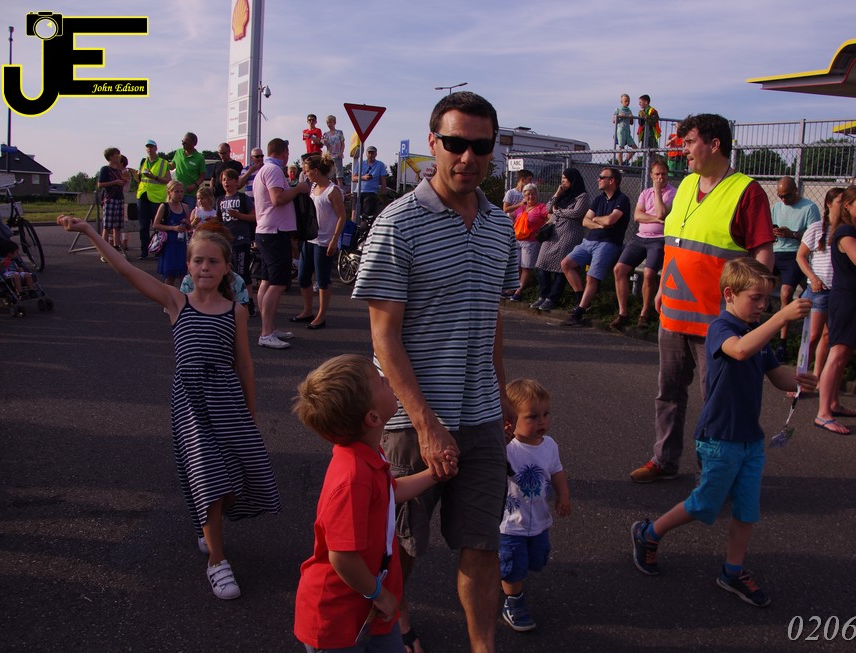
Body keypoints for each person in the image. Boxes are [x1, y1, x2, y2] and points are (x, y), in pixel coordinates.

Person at [352, 91, 517, 653]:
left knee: (483, 545)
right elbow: (384, 337)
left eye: (480, 146)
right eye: (455, 143)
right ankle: (398, 627)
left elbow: (491, 316)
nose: (467, 157)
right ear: (433, 143)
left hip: (482, 417)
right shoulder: (397, 224)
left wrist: (501, 393)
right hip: (410, 421)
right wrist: (426, 424)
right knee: (403, 546)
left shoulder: (500, 227)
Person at [55, 216, 281, 600]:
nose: (205, 267)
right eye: (198, 261)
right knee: (208, 476)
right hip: (190, 402)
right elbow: (125, 269)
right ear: (188, 265)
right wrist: (90, 231)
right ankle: (217, 562)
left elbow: (244, 365)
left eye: (212, 261)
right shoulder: (176, 302)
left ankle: (207, 523)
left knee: (235, 482)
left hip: (227, 402)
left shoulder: (236, 311)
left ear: (227, 268)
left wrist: (251, 413)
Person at [631, 257, 816, 608]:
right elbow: (740, 350)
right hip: (719, 436)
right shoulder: (721, 327)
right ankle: (649, 533)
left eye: (767, 300)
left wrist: (801, 382)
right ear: (730, 294)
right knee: (705, 503)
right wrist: (780, 318)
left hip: (750, 439)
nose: (762, 306)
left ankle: (733, 570)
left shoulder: (756, 331)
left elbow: (777, 376)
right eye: (755, 298)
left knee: (746, 509)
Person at [630, 113, 775, 483]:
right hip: (674, 313)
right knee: (668, 393)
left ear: (714, 144)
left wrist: (756, 303)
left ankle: (715, 470)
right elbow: (674, 242)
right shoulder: (685, 186)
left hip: (717, 322)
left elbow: (762, 251)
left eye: (689, 142)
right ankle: (664, 460)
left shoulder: (746, 191)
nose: (683, 150)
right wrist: (662, 286)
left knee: (719, 402)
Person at [292, 354, 457, 653]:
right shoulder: (352, 478)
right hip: (337, 620)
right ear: (373, 418)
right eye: (380, 381)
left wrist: (434, 474)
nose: (387, 379)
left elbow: (391, 491)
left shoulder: (367, 455)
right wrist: (378, 594)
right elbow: (342, 557)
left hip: (371, 607)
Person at [499, 378, 570, 633]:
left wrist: (564, 495)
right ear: (510, 420)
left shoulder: (549, 446)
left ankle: (504, 574)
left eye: (546, 414)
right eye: (532, 417)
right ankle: (513, 602)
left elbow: (557, 471)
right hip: (510, 524)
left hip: (539, 521)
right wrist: (500, 441)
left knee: (536, 559)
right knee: (513, 566)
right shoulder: (507, 448)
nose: (542, 422)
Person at [813, 186, 856, 435]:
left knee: (845, 353)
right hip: (846, 299)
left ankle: (833, 403)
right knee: (838, 353)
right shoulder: (845, 231)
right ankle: (823, 413)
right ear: (848, 206)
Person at [254, 137, 312, 350]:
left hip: (267, 230)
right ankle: (266, 333)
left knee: (267, 281)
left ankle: (268, 327)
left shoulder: (265, 169)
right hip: (274, 232)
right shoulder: (273, 170)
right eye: (287, 152)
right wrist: (298, 189)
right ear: (284, 152)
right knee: (278, 283)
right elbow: (277, 199)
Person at [560, 167, 631, 327]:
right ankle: (581, 299)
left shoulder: (622, 200)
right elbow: (585, 221)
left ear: (611, 181)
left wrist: (597, 219)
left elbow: (610, 220)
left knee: (591, 277)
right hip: (590, 241)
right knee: (566, 264)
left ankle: (579, 314)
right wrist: (600, 225)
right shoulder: (599, 199)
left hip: (609, 243)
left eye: (602, 177)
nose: (598, 179)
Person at [610, 159, 675, 330]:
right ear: (651, 175)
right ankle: (622, 312)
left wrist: (658, 192)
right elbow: (638, 216)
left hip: (659, 239)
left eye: (664, 174)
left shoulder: (673, 193)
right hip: (640, 237)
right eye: (657, 174)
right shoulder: (645, 193)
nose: (661, 177)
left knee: (648, 273)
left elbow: (662, 212)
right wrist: (656, 219)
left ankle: (644, 313)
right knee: (619, 269)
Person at [291, 154, 348, 331]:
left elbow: (342, 216)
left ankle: (321, 316)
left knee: (322, 280)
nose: (305, 174)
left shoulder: (332, 191)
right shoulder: (314, 186)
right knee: (303, 277)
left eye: (307, 171)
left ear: (316, 171)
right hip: (310, 238)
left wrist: (334, 240)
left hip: (324, 241)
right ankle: (307, 311)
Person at [795, 187, 844, 382]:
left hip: (837, 290)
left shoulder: (846, 230)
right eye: (840, 202)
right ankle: (799, 379)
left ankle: (817, 377)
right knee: (812, 336)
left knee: (828, 336)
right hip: (819, 290)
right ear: (829, 204)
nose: (844, 206)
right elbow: (801, 256)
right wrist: (813, 278)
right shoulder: (817, 228)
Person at [770, 176, 820, 357]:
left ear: (796, 191)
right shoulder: (776, 208)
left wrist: (793, 234)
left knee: (785, 293)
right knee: (754, 282)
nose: (783, 200)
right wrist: (774, 232)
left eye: (787, 196)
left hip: (795, 254)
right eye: (780, 196)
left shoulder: (809, 208)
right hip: (776, 251)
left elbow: (815, 236)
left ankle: (782, 342)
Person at [531, 168, 590, 312]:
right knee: (541, 263)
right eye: (562, 178)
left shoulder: (582, 196)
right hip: (553, 233)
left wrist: (558, 211)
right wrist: (557, 193)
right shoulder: (563, 195)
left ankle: (552, 298)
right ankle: (543, 295)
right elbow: (548, 208)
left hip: (569, 234)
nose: (562, 181)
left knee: (560, 267)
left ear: (572, 180)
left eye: (565, 178)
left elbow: (577, 212)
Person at [216, 168, 256, 315]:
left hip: (241, 240)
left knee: (242, 272)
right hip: (225, 242)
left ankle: (248, 303)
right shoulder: (220, 200)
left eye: (229, 179)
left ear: (236, 182)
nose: (226, 182)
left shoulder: (243, 198)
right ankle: (229, 302)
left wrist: (239, 216)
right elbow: (219, 220)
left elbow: (254, 216)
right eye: (224, 180)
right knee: (226, 272)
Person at [508, 183, 548, 302]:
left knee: (526, 267)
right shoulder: (522, 208)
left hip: (531, 241)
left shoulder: (541, 207)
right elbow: (510, 214)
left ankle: (519, 291)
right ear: (524, 197)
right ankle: (514, 287)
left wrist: (541, 230)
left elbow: (550, 217)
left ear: (537, 194)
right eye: (527, 195)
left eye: (532, 194)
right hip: (518, 239)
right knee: (517, 266)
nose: (530, 196)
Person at [136, 139, 170, 259]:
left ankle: (157, 249)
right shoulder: (143, 161)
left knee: (157, 225)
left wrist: (154, 177)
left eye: (151, 147)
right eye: (147, 147)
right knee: (143, 226)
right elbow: (139, 178)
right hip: (143, 195)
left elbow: (168, 180)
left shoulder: (163, 162)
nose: (149, 149)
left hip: (156, 197)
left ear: (156, 148)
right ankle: (144, 251)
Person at [152, 180, 191, 287]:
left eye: (182, 192)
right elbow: (155, 225)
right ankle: (167, 297)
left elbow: (189, 227)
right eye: (176, 192)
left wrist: (187, 223)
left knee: (184, 275)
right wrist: (173, 228)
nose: (180, 194)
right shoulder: (164, 206)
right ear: (169, 192)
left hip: (181, 243)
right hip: (169, 244)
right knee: (170, 276)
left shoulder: (185, 207)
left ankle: (184, 296)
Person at [96, 147, 127, 259]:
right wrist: (115, 182)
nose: (118, 158)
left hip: (119, 198)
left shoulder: (119, 171)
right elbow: (100, 184)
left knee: (117, 226)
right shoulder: (105, 169)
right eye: (116, 156)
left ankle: (116, 248)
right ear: (110, 157)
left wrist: (122, 182)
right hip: (110, 199)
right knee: (107, 226)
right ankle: (104, 252)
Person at [169, 132, 207, 212]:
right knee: (176, 214)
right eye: (182, 141)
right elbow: (172, 166)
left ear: (194, 143)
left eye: (185, 142)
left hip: (190, 194)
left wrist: (194, 185)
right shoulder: (178, 152)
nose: (183, 144)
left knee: (188, 216)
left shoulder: (199, 157)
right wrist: (162, 163)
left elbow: (202, 176)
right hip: (177, 192)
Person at [353, 146, 389, 217]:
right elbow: (353, 178)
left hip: (371, 192)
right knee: (354, 213)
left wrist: (383, 195)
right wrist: (363, 178)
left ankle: (364, 223)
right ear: (366, 154)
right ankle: (354, 223)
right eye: (369, 153)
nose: (370, 155)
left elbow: (383, 180)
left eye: (372, 153)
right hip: (358, 192)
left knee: (366, 214)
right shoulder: (360, 164)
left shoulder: (380, 165)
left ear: (376, 154)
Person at [320, 115, 346, 185]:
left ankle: (340, 189)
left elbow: (342, 144)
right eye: (327, 122)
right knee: (330, 175)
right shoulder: (326, 134)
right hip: (329, 156)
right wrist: (324, 142)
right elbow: (322, 143)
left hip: (338, 155)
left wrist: (341, 152)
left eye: (330, 122)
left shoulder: (339, 132)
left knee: (339, 176)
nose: (329, 124)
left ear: (334, 122)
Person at [613, 94, 637, 165]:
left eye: (628, 101)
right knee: (621, 148)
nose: (627, 102)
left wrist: (631, 118)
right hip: (621, 130)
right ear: (621, 101)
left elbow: (631, 123)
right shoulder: (618, 109)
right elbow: (614, 121)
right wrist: (619, 116)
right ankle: (620, 165)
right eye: (625, 101)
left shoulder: (629, 110)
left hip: (628, 132)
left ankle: (626, 161)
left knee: (635, 148)